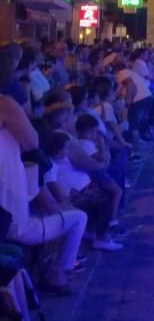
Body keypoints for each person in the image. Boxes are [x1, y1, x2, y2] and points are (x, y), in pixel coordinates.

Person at [0, 94, 88, 293]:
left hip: (11, 222)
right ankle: (58, 273)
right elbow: (49, 203)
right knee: (78, 218)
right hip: (17, 226)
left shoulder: (11, 160)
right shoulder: (33, 165)